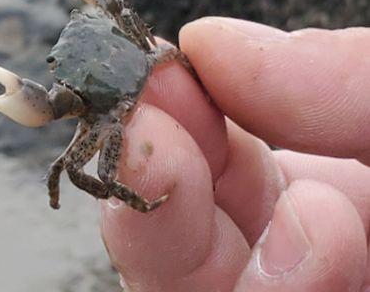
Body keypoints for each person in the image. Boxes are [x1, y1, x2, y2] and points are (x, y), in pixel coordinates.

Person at [100, 17, 370, 292]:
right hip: (124, 96)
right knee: (108, 175)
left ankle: (141, 203)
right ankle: (139, 203)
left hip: (138, 81)